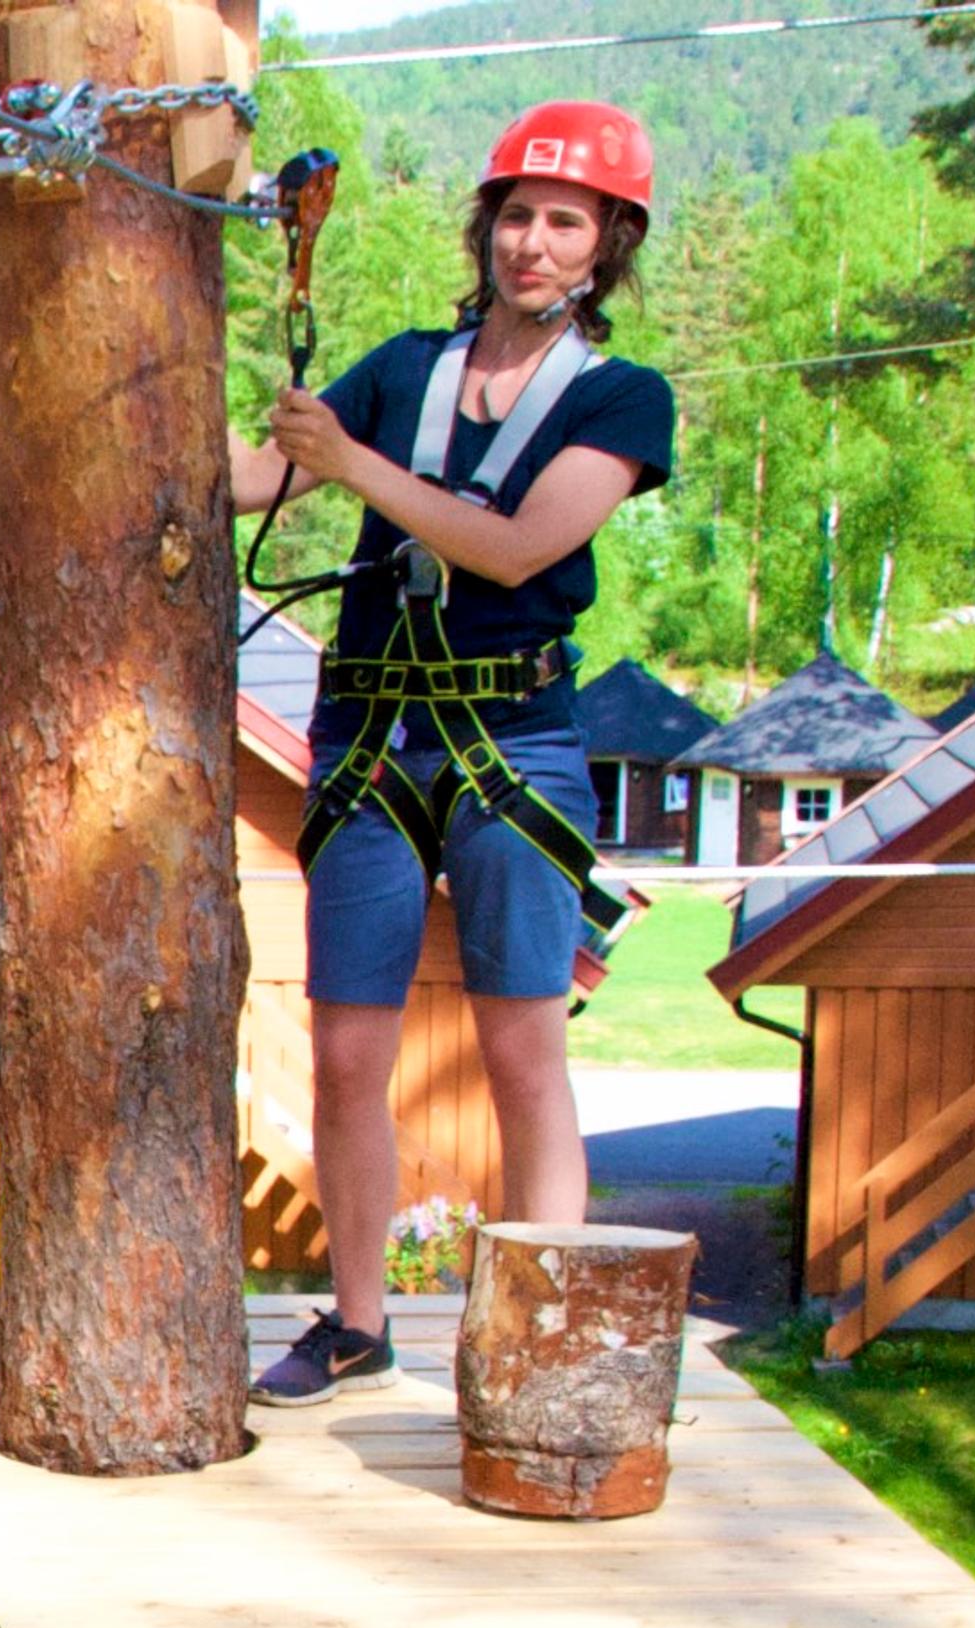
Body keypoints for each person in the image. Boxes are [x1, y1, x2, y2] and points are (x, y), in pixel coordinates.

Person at [230, 100, 674, 1406]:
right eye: (517, 216)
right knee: (346, 1055)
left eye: (565, 223)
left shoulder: (620, 399)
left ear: (606, 246)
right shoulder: (403, 369)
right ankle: (360, 1326)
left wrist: (349, 464)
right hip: (372, 735)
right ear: (488, 229)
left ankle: (542, 1336)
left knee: (523, 1053)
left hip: (511, 741)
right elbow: (258, 481)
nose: (533, 243)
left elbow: (517, 548)